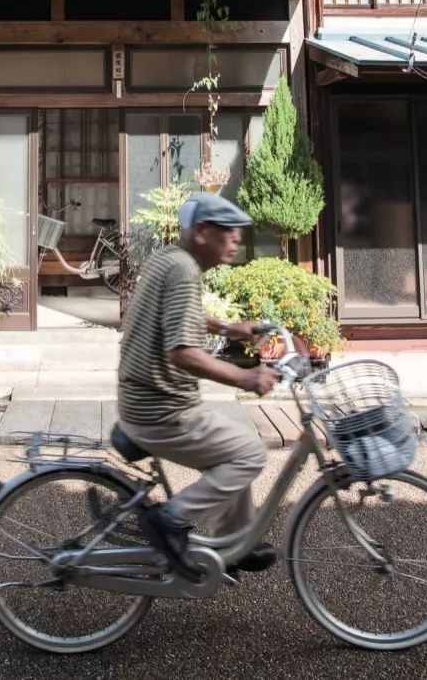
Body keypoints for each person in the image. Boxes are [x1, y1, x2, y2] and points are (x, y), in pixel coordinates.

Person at [117, 192, 279, 581]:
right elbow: (183, 354)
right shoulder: (183, 270)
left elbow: (181, 314)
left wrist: (229, 327)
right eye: (230, 230)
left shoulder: (168, 260)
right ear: (202, 231)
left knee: (235, 439)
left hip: (144, 400)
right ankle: (169, 521)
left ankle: (233, 543)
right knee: (250, 453)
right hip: (161, 409)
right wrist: (246, 376)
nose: (237, 238)